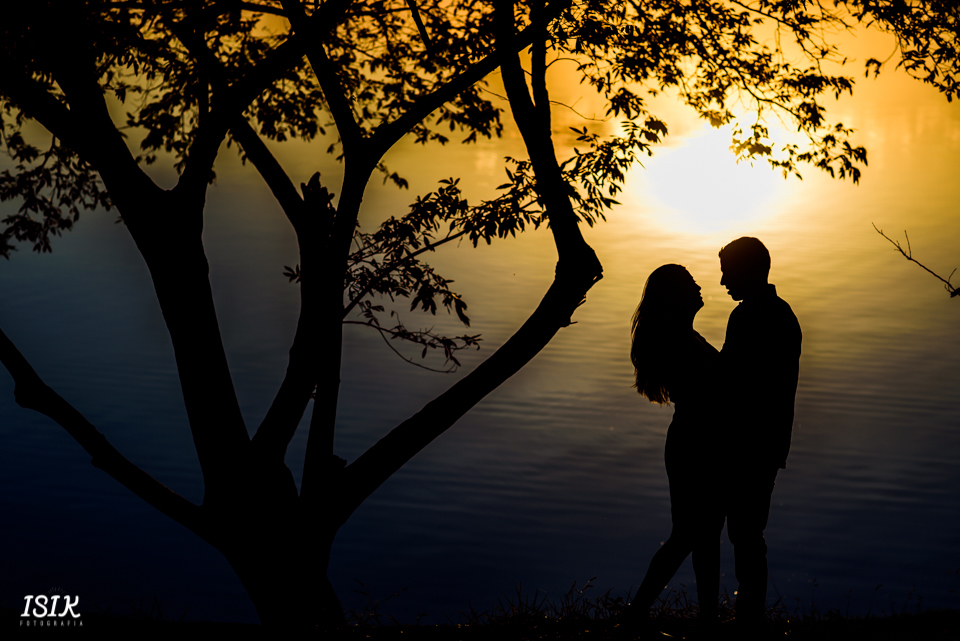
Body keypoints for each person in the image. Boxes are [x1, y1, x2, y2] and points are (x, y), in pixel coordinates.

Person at [624, 264, 725, 626]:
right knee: (688, 535)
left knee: (705, 534)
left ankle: (707, 619)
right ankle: (635, 618)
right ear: (676, 296)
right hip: (694, 444)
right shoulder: (679, 342)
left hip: (698, 441)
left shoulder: (685, 335)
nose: (699, 286)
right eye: (689, 283)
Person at [718, 237, 801, 625]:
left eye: (727, 273)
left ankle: (749, 618)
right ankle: (748, 613)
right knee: (746, 531)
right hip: (760, 442)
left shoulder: (757, 318)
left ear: (748, 271)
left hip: (753, 442)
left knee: (746, 532)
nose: (722, 283)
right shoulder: (771, 313)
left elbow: (733, 380)